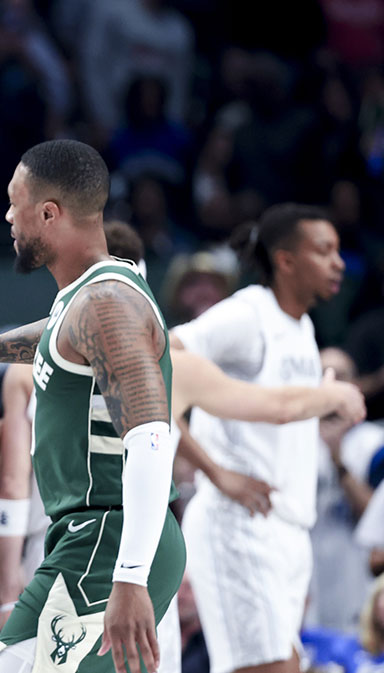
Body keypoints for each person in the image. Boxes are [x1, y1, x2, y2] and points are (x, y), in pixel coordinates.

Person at [0, 139, 185, 673]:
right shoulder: (84, 299)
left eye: (16, 203)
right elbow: (59, 334)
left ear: (49, 213)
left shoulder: (106, 303)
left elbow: (151, 439)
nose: (8, 216)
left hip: (108, 540)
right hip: (80, 539)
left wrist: (129, 577)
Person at [171, 203, 347, 673]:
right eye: (325, 251)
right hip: (239, 522)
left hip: (286, 529)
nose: (340, 262)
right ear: (286, 260)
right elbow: (161, 358)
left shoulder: (302, 327)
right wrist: (215, 471)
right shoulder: (248, 315)